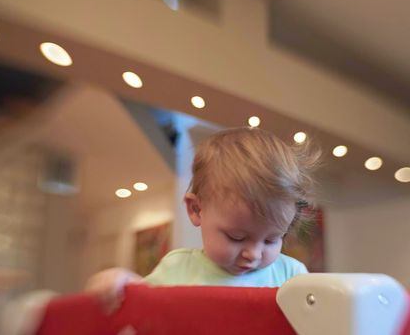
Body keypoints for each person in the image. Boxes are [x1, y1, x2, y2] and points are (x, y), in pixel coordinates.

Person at [86, 127, 318, 310]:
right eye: (236, 237)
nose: (254, 254)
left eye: (272, 240)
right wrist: (121, 280)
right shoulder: (178, 269)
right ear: (196, 209)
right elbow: (143, 306)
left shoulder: (291, 275)